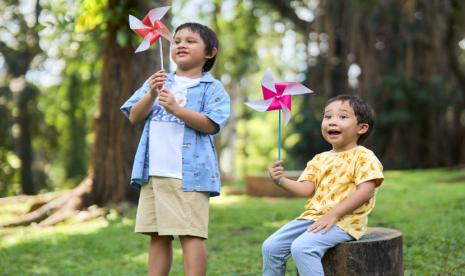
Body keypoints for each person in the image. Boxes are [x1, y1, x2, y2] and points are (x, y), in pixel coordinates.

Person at [120, 22, 230, 276]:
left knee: (190, 234)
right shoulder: (158, 81)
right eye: (177, 40)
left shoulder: (212, 88)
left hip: (188, 176)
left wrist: (176, 110)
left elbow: (211, 124)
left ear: (210, 52)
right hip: (154, 171)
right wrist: (151, 93)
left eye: (191, 41)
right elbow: (134, 116)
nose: (181, 44)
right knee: (157, 234)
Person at [263, 95, 384, 276]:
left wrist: (333, 215)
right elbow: (306, 189)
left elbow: (366, 191)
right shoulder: (320, 159)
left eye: (342, 117)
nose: (332, 122)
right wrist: (280, 180)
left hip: (345, 221)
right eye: (328, 117)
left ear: (362, 128)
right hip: (312, 218)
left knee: (302, 247)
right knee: (271, 247)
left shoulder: (364, 157)